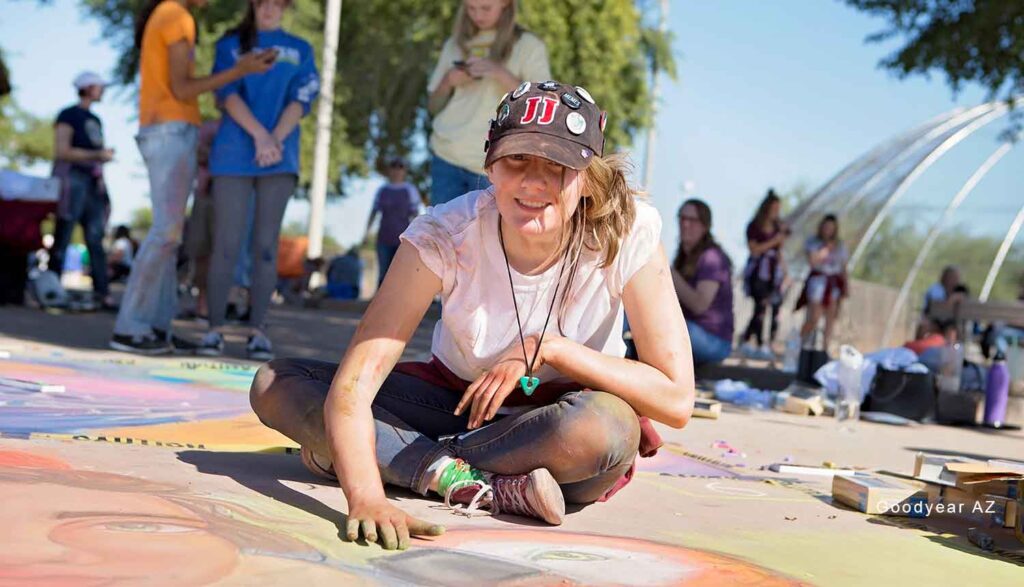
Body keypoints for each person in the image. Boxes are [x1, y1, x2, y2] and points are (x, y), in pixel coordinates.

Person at [249, 82, 695, 549]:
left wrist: (552, 349)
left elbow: (676, 400)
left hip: (559, 427)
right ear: (489, 165)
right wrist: (365, 496)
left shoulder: (630, 231)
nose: (533, 182)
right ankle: (470, 481)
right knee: (276, 383)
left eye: (557, 166)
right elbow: (356, 385)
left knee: (606, 430)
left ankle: (403, 460)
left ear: (587, 177)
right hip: (453, 407)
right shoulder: (445, 233)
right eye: (516, 160)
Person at [110, 0, 276, 355]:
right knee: (165, 233)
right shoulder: (176, 15)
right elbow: (184, 89)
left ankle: (156, 327)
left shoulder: (171, 15)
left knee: (170, 235)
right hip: (169, 130)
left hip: (170, 129)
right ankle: (130, 328)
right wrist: (240, 70)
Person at [195, 0, 320, 361]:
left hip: (279, 157)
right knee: (226, 243)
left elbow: (302, 98)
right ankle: (213, 329)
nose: (269, 8)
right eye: (262, 2)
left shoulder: (300, 49)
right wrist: (260, 137)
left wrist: (275, 139)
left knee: (266, 246)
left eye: (276, 2)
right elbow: (226, 95)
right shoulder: (230, 44)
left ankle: (257, 331)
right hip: (234, 155)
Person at [426, 0, 551, 206]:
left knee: (490, 236)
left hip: (496, 161)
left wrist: (498, 72)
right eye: (471, 8)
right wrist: (448, 80)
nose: (478, 15)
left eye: (485, 8)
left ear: (505, 4)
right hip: (446, 156)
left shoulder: (529, 46)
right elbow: (433, 106)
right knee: (444, 236)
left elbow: (543, 106)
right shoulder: (454, 45)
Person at [50, 72, 116, 309]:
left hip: (92, 183)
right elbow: (62, 150)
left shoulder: (96, 120)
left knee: (96, 238)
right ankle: (51, 289)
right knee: (64, 234)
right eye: (99, 86)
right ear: (87, 87)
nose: (103, 91)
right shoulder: (68, 115)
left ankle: (102, 293)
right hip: (73, 180)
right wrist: (96, 155)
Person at [671, 199, 734, 365]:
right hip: (690, 334)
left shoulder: (711, 257)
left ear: (705, 226)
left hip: (713, 341)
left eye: (692, 220)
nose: (685, 224)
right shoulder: (683, 258)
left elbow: (700, 305)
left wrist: (669, 273)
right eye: (682, 218)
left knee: (666, 326)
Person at [739, 189, 788, 360]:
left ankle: (748, 338)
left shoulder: (777, 227)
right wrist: (773, 241)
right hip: (758, 271)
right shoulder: (754, 226)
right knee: (760, 305)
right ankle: (758, 343)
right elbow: (754, 249)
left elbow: (779, 252)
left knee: (771, 306)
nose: (776, 212)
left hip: (774, 274)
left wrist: (786, 272)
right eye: (774, 208)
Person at [364, 157, 423, 287]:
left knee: (401, 273)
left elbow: (416, 215)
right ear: (389, 170)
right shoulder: (382, 190)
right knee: (383, 273)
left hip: (404, 239)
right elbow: (374, 212)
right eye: (394, 166)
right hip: (384, 237)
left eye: (400, 167)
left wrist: (419, 235)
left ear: (405, 170)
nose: (397, 170)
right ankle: (380, 304)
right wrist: (366, 233)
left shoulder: (410, 190)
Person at [796, 214, 848, 351]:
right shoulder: (813, 242)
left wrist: (846, 287)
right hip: (818, 282)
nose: (828, 230)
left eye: (831, 228)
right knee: (814, 317)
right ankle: (801, 344)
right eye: (826, 227)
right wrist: (826, 249)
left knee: (830, 319)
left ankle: (825, 350)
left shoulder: (840, 246)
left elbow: (843, 267)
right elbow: (813, 261)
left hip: (833, 284)